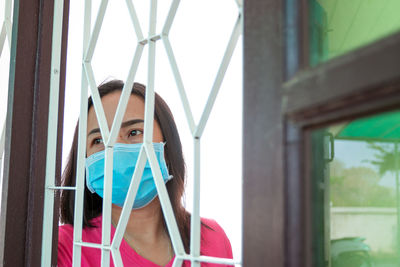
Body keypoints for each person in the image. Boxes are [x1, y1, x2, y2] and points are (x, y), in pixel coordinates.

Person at [58, 80, 233, 266]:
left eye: (134, 132)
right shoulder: (65, 248)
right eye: (99, 139)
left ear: (167, 145)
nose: (116, 148)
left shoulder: (211, 239)